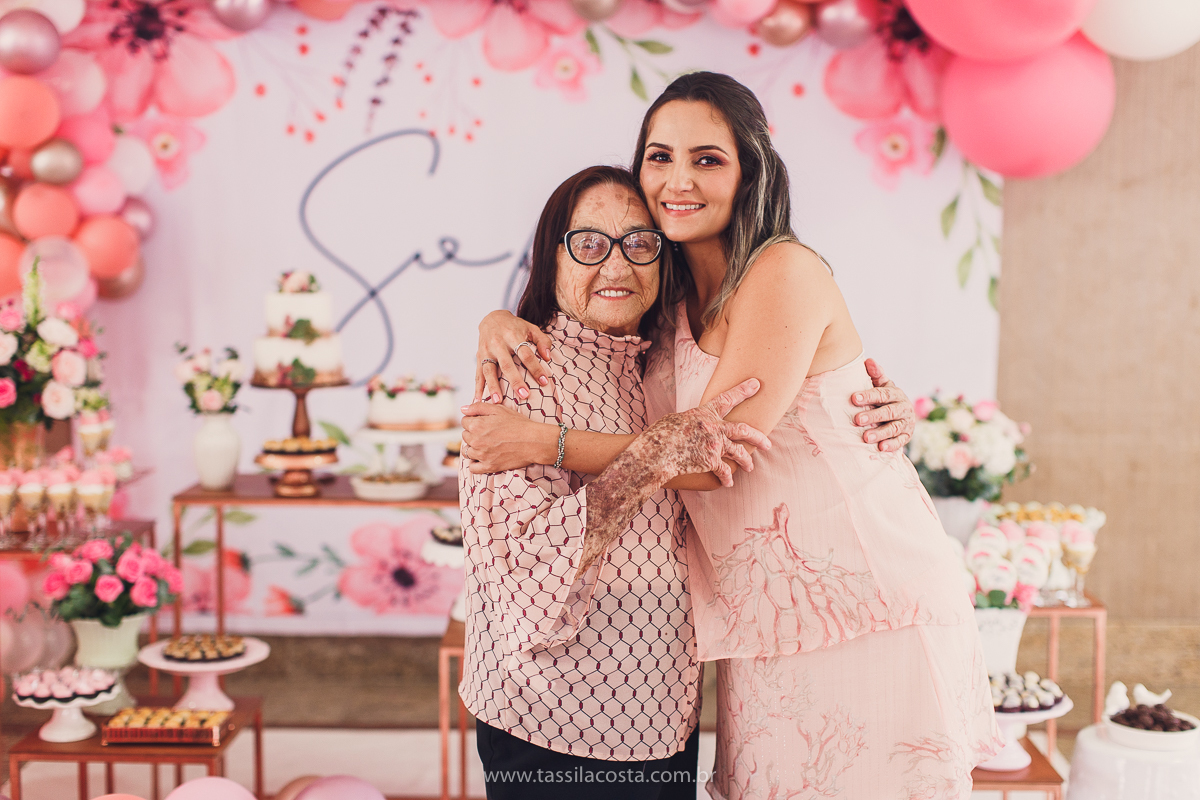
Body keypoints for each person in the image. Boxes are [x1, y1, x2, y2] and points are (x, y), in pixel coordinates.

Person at [466, 72, 1002, 799]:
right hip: (758, 612)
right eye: (659, 156)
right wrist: (497, 320)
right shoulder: (664, 293)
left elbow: (707, 457)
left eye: (707, 159)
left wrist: (542, 441)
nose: (677, 179)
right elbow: (596, 326)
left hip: (861, 599)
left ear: (751, 168)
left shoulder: (782, 270)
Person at [459, 164, 774, 800]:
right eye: (590, 244)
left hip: (664, 712)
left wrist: (872, 405)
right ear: (552, 257)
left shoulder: (659, 360)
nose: (617, 267)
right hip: (554, 720)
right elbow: (528, 561)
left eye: (640, 243)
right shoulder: (524, 368)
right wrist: (653, 456)